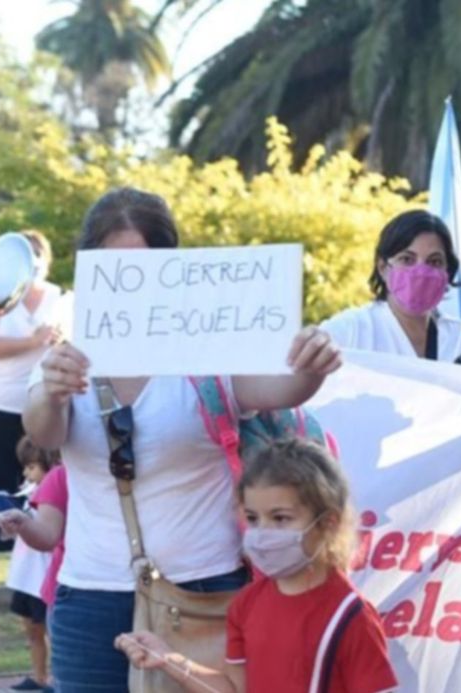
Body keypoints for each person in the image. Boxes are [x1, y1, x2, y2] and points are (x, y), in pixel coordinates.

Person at [23, 187, 343, 693]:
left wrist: (313, 363)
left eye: (147, 268)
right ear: (90, 272)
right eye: (115, 270)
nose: (132, 284)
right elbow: (42, 429)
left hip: (206, 591)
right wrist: (53, 393)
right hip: (91, 598)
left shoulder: (208, 353)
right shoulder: (65, 361)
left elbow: (283, 387)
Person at [115, 438, 397, 693]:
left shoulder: (350, 615)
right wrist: (170, 660)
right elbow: (236, 689)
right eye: (252, 518)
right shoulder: (247, 604)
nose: (262, 533)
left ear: (327, 523)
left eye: (281, 518)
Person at [0, 230, 67, 586]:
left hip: (37, 407)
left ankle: (31, 564)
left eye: (38, 253)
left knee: (36, 484)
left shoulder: (61, 298)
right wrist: (33, 340)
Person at [322, 210, 461, 362]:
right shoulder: (350, 331)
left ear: (447, 271)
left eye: (434, 261)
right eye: (407, 259)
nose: (421, 272)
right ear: (383, 268)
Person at [3, 438, 61, 693]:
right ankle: (39, 676)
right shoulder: (26, 493)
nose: (27, 473)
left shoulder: (53, 494)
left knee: (52, 631)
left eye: (32, 467)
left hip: (44, 576)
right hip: (25, 576)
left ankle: (58, 679)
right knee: (31, 629)